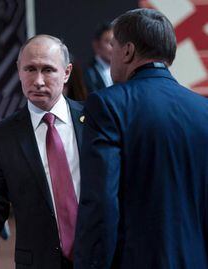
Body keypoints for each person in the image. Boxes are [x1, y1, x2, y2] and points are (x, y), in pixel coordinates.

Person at [74, 8, 208, 269]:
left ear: (128, 51)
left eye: (113, 46)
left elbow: (101, 203)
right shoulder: (203, 110)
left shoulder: (107, 105)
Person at [0, 34, 84, 268]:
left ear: (67, 72)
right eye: (30, 69)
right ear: (18, 70)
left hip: (98, 258)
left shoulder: (94, 121)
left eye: (48, 70)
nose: (38, 80)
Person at [83, 22, 113, 93]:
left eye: (115, 42)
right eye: (108, 41)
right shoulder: (88, 72)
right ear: (96, 45)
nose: (113, 47)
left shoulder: (124, 71)